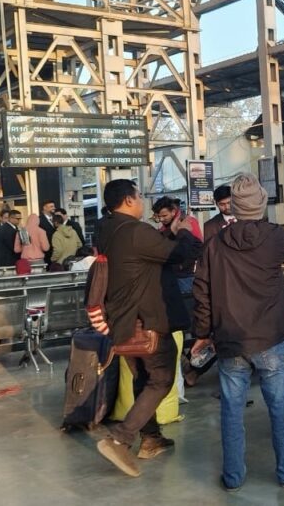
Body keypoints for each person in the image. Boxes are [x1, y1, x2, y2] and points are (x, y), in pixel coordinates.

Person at [190, 173, 284, 491]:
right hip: (271, 335)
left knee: (231, 409)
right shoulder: (275, 236)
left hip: (230, 337)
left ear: (235, 206)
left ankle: (233, 477)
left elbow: (201, 292)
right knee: (279, 406)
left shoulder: (214, 244)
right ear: (261, 204)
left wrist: (203, 332)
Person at [90, 179, 199, 478]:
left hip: (122, 321)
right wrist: (183, 231)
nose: (142, 202)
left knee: (143, 378)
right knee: (162, 379)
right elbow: (179, 254)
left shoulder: (106, 229)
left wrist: (167, 235)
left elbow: (144, 258)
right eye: (139, 196)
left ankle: (151, 438)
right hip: (149, 319)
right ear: (128, 200)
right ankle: (120, 439)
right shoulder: (136, 231)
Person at [38, 200, 57, 264]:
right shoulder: (39, 220)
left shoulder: (57, 218)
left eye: (54, 206)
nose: (54, 208)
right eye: (51, 206)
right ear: (44, 208)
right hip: (46, 251)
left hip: (57, 250)